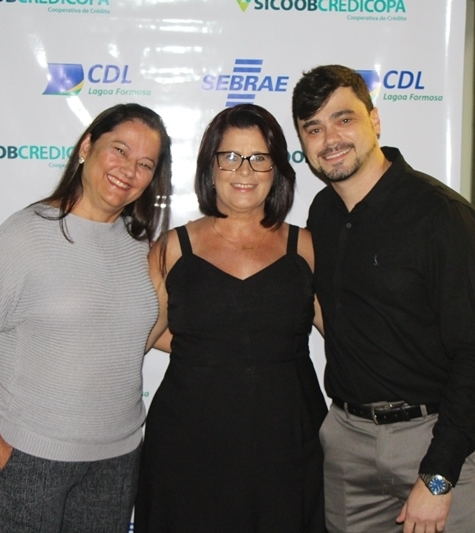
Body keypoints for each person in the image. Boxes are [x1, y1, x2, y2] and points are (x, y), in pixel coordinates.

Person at [291, 65, 475, 533]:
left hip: (434, 441)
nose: (330, 138)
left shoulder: (443, 217)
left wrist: (438, 476)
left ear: (375, 120)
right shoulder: (322, 213)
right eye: (314, 128)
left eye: (344, 119)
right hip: (347, 445)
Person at [0, 103, 172, 533]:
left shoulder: (141, 248)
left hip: (118, 461)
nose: (129, 170)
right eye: (119, 150)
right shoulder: (23, 235)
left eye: (145, 164)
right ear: (87, 146)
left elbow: (134, 331)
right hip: (31, 459)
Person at [134, 103, 327, 533]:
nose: (244, 170)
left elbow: (351, 339)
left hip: (289, 448)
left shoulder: (307, 247)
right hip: (187, 450)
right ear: (210, 166)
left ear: (277, 169)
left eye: (259, 157)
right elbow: (134, 338)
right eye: (231, 156)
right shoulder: (173, 248)